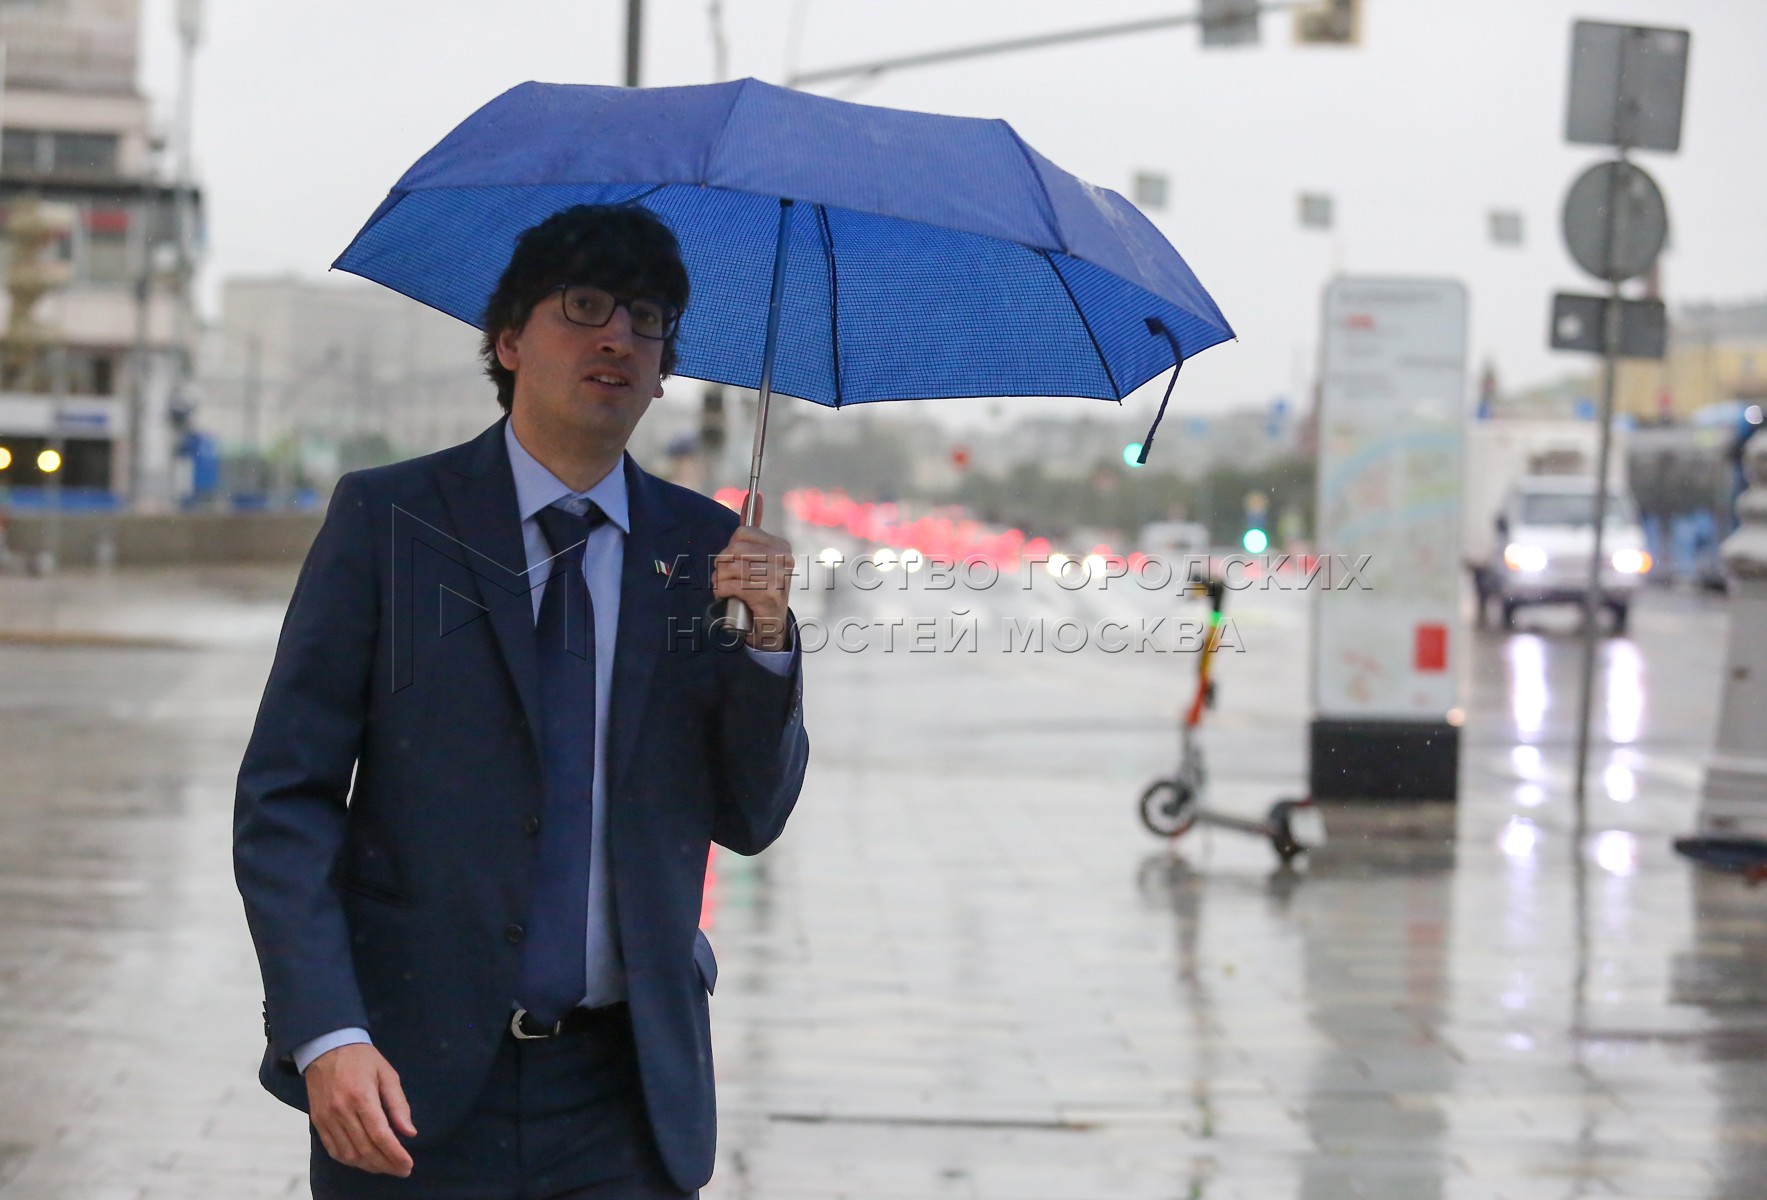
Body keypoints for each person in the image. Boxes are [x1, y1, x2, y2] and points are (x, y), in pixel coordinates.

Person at [234, 203, 809, 1199]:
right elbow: (286, 798)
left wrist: (764, 640)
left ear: (664, 370)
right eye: (585, 306)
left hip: (625, 1100)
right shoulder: (391, 519)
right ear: (508, 340)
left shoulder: (704, 553)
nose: (618, 336)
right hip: (406, 1085)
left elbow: (750, 816)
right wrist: (325, 1031)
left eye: (646, 318)